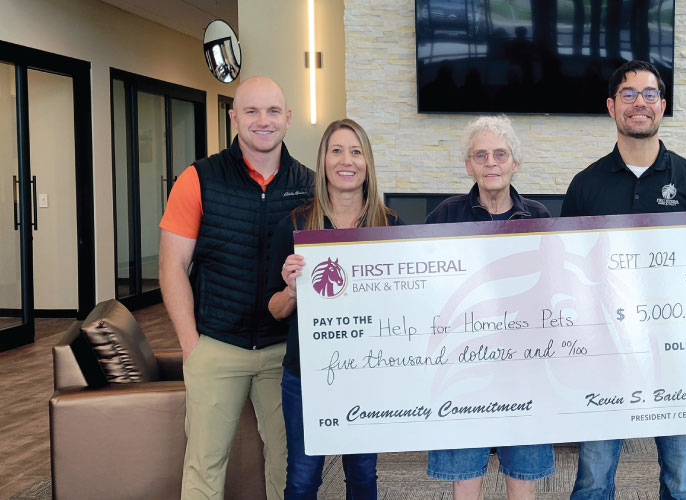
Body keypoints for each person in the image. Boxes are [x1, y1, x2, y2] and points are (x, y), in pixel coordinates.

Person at [560, 59, 686, 500]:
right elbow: (569, 276)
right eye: (629, 95)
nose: (640, 103)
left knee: (681, 480)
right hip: (606, 359)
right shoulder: (584, 187)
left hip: (678, 359)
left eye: (649, 94)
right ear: (612, 107)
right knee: (594, 478)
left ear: (663, 105)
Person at [159, 76, 315, 499]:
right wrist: (191, 344)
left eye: (272, 111)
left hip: (284, 351)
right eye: (251, 111)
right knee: (205, 466)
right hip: (216, 345)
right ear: (234, 117)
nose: (262, 121)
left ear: (288, 118)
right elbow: (172, 266)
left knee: (290, 468)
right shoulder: (198, 178)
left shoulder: (312, 185)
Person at [267, 118, 400, 499]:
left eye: (356, 151)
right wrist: (292, 289)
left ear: (367, 163)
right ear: (323, 160)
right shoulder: (294, 227)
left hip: (366, 373)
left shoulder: (390, 227)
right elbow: (274, 310)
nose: (347, 160)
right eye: (337, 150)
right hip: (306, 377)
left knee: (362, 476)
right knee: (303, 479)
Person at [424, 115, 554, 500]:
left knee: (523, 479)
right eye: (480, 155)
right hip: (464, 374)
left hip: (525, 372)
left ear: (516, 162)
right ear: (469, 165)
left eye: (500, 154)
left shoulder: (540, 218)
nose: (491, 162)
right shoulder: (445, 217)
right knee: (465, 480)